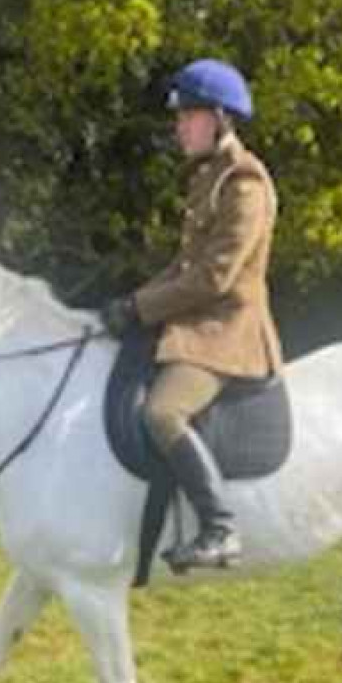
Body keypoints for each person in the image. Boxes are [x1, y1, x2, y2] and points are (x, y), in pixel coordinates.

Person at [101, 57, 283, 571]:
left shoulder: (244, 184)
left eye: (188, 116)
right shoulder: (210, 177)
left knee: (163, 412)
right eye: (179, 117)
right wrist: (130, 304)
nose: (179, 127)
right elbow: (184, 266)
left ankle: (219, 527)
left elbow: (213, 278)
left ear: (220, 118)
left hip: (228, 333)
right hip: (198, 324)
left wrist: (141, 308)